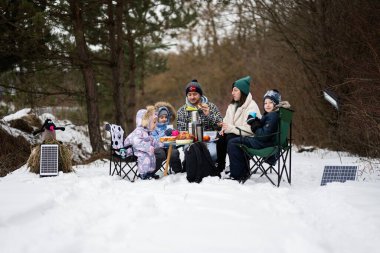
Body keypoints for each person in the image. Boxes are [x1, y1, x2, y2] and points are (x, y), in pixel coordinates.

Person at [227, 89, 291, 180]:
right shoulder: (277, 114)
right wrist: (256, 121)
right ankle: (243, 172)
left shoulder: (272, 116)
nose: (267, 105)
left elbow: (263, 136)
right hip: (271, 143)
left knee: (233, 142)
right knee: (239, 140)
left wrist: (254, 124)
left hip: (263, 144)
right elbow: (267, 130)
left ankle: (237, 175)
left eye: (270, 102)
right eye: (265, 103)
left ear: (276, 104)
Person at [216, 76, 261, 173]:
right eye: (232, 90)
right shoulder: (232, 106)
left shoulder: (252, 107)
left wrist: (231, 128)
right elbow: (227, 122)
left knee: (230, 138)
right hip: (235, 134)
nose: (232, 93)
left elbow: (251, 130)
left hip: (250, 139)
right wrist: (223, 128)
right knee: (220, 137)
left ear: (243, 91)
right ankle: (220, 167)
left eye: (235, 90)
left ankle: (237, 167)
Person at [177, 79, 223, 162]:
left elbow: (220, 125)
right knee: (193, 154)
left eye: (195, 94)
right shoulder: (182, 111)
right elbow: (181, 131)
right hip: (190, 142)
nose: (192, 97)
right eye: (189, 94)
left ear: (200, 94)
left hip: (210, 141)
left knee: (212, 154)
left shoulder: (211, 106)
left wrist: (209, 115)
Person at [124, 105, 163, 179]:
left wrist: (160, 144)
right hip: (130, 150)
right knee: (145, 156)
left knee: (152, 155)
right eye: (154, 123)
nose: (155, 125)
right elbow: (137, 143)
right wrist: (148, 147)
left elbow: (152, 141)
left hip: (140, 149)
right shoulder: (138, 132)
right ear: (147, 122)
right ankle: (143, 174)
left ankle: (150, 172)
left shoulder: (147, 132)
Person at [152, 101, 183, 173]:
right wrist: (164, 134)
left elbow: (175, 135)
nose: (164, 119)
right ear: (157, 118)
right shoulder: (154, 127)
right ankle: (152, 172)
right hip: (159, 147)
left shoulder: (169, 126)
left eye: (166, 117)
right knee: (160, 154)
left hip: (170, 146)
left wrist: (175, 133)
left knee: (174, 153)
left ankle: (177, 171)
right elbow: (154, 139)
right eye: (161, 117)